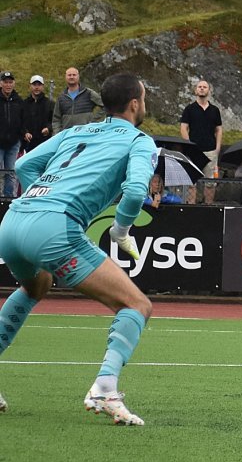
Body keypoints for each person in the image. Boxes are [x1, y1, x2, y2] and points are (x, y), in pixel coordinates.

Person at [0, 72, 155, 425]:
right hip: (54, 227)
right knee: (137, 305)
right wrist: (120, 230)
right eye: (143, 99)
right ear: (135, 104)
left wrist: (43, 194)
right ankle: (104, 388)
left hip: (12, 221)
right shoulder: (139, 141)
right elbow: (134, 193)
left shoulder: (76, 130)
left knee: (36, 286)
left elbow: (23, 164)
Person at [179, 80, 223, 205]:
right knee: (191, 182)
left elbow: (219, 129)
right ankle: (191, 206)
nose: (202, 89)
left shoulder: (215, 110)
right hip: (194, 151)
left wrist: (218, 147)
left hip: (210, 150)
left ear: (209, 90)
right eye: (200, 87)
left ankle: (208, 206)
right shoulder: (189, 109)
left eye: (205, 87)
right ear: (195, 90)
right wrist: (189, 145)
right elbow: (183, 127)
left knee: (210, 182)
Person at [51, 66, 102, 133]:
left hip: (86, 134)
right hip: (67, 135)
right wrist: (58, 133)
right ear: (66, 77)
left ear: (78, 77)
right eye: (69, 75)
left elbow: (104, 106)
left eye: (74, 75)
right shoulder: (61, 97)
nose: (71, 77)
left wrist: (93, 121)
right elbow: (56, 118)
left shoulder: (88, 93)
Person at [0, 72, 23, 197]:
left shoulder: (19, 100)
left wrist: (22, 135)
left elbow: (23, 119)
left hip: (13, 142)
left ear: (13, 83)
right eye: (5, 82)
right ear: (1, 83)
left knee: (11, 172)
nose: (8, 85)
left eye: (10, 82)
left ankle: (8, 199)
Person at [21, 74, 53, 153]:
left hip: (45, 142)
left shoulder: (50, 104)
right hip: (28, 144)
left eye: (39, 85)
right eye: (34, 84)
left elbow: (54, 121)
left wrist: (48, 128)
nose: (36, 87)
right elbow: (19, 122)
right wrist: (25, 132)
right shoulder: (23, 104)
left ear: (43, 86)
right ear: (30, 86)